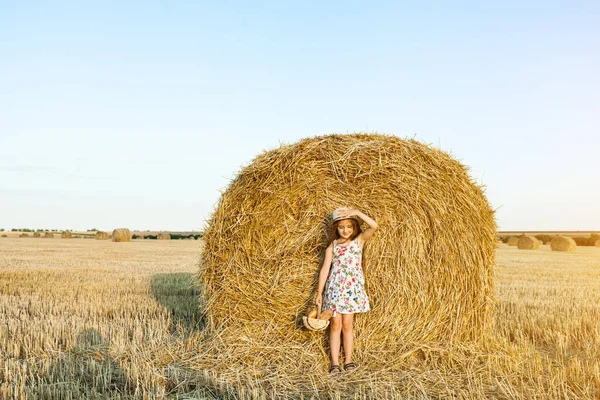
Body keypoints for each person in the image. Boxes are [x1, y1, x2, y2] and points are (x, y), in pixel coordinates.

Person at [315, 207, 379, 374]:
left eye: (349, 226)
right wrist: (319, 293)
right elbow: (324, 270)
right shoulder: (333, 246)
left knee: (347, 324)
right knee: (335, 325)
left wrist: (357, 213)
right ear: (336, 228)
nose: (345, 230)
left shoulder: (358, 241)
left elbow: (374, 226)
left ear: (354, 227)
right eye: (341, 227)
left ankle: (348, 360)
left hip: (351, 290)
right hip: (335, 290)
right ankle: (335, 362)